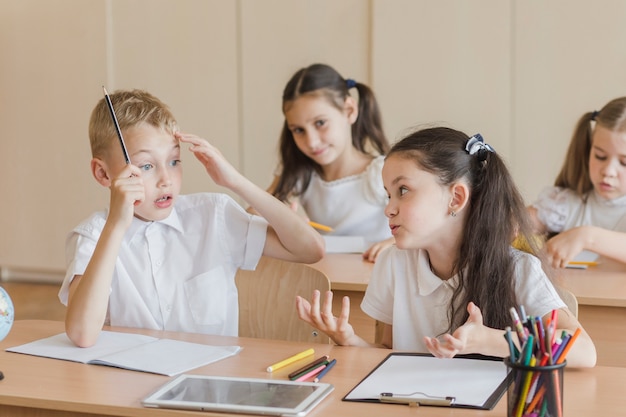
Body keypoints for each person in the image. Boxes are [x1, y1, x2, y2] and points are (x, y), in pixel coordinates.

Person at [297, 126, 596, 368]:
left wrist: (488, 341)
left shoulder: (516, 268)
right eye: (388, 195)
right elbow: (389, 353)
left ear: (455, 199)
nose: (389, 209)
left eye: (403, 191)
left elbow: (583, 351)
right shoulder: (393, 263)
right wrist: (351, 342)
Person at [60, 89, 325, 348]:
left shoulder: (213, 215)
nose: (166, 180)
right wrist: (116, 226)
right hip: (132, 386)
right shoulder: (93, 236)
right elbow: (82, 335)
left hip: (210, 386)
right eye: (146, 166)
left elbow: (310, 249)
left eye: (174, 161)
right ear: (103, 174)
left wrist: (235, 182)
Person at [257, 63, 393, 262]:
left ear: (349, 110)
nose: (311, 142)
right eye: (298, 130)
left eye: (320, 123)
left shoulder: (383, 172)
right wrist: (281, 222)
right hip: (325, 284)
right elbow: (252, 218)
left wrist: (394, 243)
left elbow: (423, 231)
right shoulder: (300, 175)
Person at [528, 97, 626, 268]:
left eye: (624, 162)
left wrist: (585, 236)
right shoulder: (564, 205)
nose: (608, 171)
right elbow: (515, 222)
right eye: (600, 156)